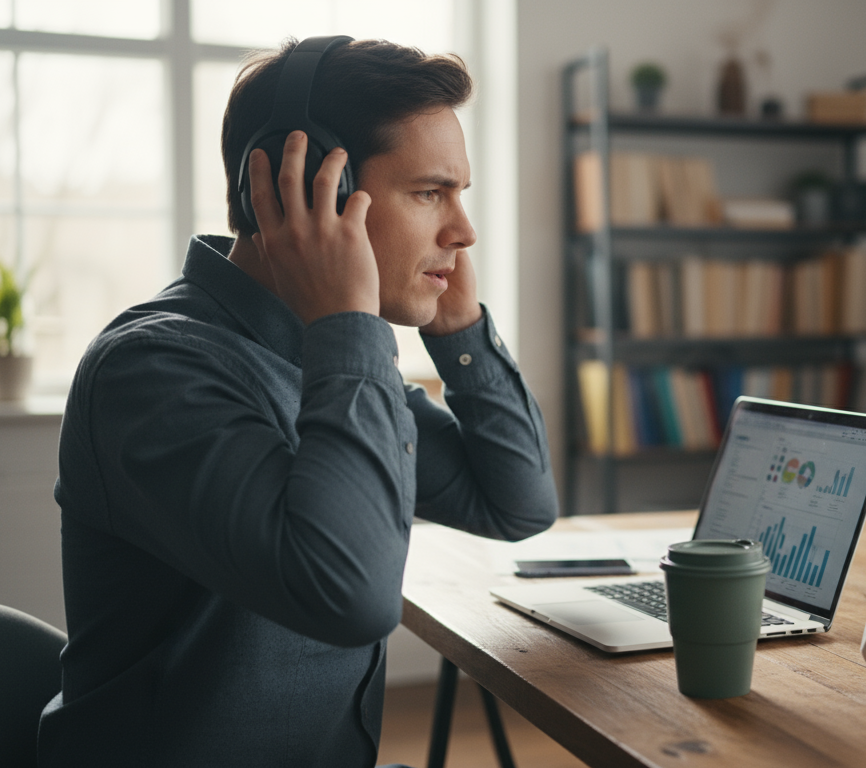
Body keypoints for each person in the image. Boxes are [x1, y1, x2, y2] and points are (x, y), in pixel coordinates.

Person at [37, 38, 557, 766]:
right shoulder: (153, 372)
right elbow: (353, 598)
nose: (464, 231)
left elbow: (517, 503)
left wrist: (461, 333)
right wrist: (348, 325)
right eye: (430, 192)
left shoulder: (319, 357)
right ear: (306, 189)